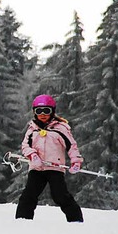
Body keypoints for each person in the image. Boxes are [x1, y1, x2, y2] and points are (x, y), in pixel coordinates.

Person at [15, 94, 84, 222]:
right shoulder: (32, 129)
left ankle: (76, 220)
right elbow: (25, 146)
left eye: (46, 111)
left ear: (52, 111)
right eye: (39, 111)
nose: (42, 114)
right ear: (34, 112)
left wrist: (76, 161)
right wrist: (32, 155)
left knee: (60, 196)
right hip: (37, 168)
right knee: (29, 195)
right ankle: (22, 220)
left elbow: (71, 146)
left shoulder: (60, 128)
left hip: (54, 168)